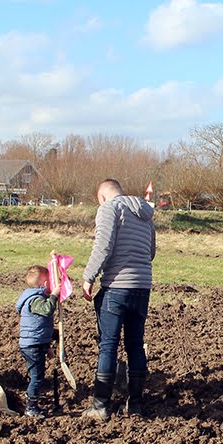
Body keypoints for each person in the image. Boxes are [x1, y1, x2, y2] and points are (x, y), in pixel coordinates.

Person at [81, 179, 156, 420]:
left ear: (102, 196)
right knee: (135, 344)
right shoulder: (146, 214)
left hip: (116, 286)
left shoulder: (109, 208)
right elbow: (151, 252)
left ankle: (101, 406)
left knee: (109, 345)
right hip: (142, 286)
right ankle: (134, 404)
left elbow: (103, 246)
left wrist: (88, 277)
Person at [16, 263, 60, 419]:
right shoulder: (35, 300)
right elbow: (47, 309)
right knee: (37, 377)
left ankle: (33, 403)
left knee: (37, 376)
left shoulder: (35, 297)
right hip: (32, 345)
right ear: (46, 284)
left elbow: (40, 326)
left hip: (36, 343)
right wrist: (54, 295)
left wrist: (47, 347)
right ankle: (31, 407)